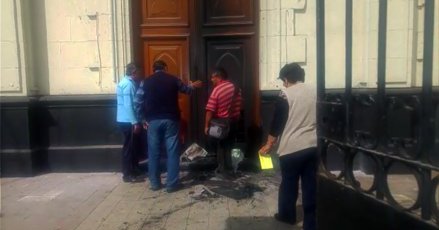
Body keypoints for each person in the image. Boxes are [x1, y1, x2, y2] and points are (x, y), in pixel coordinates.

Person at [258, 63, 317, 230]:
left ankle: (287, 216)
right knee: (310, 186)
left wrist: (269, 144)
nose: (283, 84)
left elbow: (278, 122)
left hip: (292, 148)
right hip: (312, 146)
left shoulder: (285, 94)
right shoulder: (315, 91)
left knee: (289, 184)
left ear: (286, 79)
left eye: (283, 80)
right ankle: (311, 223)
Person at [135, 60, 202, 192]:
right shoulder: (174, 80)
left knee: (153, 152)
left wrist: (142, 119)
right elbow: (187, 91)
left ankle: (155, 184)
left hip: (153, 121)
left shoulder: (145, 82)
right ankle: (172, 184)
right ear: (165, 68)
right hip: (171, 119)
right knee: (172, 152)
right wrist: (193, 86)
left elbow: (137, 102)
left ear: (153, 69)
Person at [204, 67, 242, 175]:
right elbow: (239, 105)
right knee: (230, 145)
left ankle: (223, 170)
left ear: (219, 77)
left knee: (221, 145)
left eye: (213, 77)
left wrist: (206, 126)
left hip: (221, 123)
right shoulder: (236, 88)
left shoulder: (218, 89)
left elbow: (210, 110)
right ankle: (230, 168)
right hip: (233, 121)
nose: (211, 80)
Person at [116, 62, 144, 183]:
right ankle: (127, 174)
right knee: (129, 147)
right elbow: (129, 105)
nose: (140, 75)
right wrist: (135, 122)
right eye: (139, 72)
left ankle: (134, 168)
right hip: (128, 121)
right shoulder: (128, 85)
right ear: (134, 73)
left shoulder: (125, 82)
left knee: (132, 146)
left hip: (124, 119)